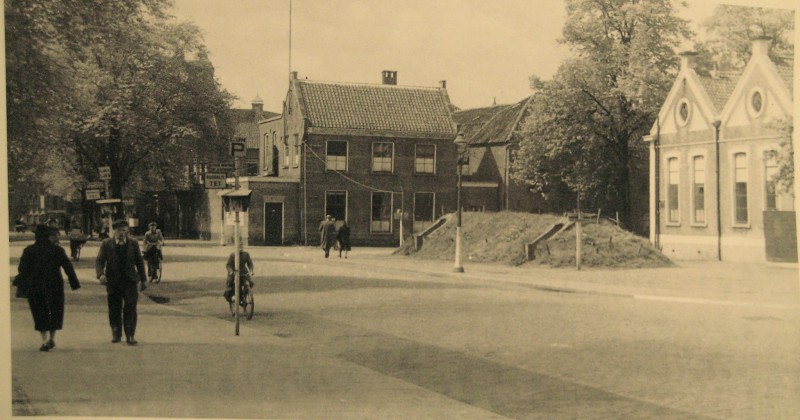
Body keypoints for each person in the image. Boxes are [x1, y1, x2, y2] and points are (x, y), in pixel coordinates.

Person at [16, 225, 81, 351]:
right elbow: (68, 267)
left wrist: (23, 283)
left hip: (35, 286)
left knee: (39, 311)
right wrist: (74, 283)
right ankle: (52, 338)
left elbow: (22, 269)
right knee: (55, 310)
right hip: (54, 284)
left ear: (36, 236)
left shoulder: (29, 250)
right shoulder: (57, 250)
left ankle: (44, 340)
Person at [96, 219, 147, 346]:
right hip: (113, 281)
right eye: (119, 230)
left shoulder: (133, 243)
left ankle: (130, 335)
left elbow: (139, 261)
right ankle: (116, 332)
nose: (122, 233)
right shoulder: (106, 243)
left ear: (127, 231)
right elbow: (100, 261)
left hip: (130, 281)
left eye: (124, 230)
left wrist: (143, 279)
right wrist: (101, 274)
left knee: (130, 307)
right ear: (114, 231)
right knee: (114, 308)